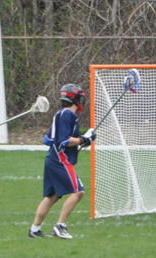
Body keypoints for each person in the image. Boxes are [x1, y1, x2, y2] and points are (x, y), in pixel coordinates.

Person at [28, 84, 95, 239]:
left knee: (53, 196)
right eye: (79, 98)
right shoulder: (68, 115)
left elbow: (48, 139)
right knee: (79, 192)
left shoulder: (59, 114)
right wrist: (83, 140)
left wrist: (82, 140)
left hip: (52, 157)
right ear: (74, 99)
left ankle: (35, 230)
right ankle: (60, 226)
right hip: (60, 160)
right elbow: (64, 141)